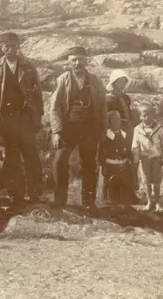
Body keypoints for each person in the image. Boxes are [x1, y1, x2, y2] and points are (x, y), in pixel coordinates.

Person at [0, 32, 45, 206]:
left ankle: (35, 193)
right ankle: (15, 194)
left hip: (25, 117)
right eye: (6, 46)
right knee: (11, 156)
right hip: (6, 118)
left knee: (31, 154)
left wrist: (37, 117)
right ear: (1, 48)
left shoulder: (28, 66)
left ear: (18, 46)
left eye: (13, 45)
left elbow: (37, 93)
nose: (10, 49)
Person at [49, 46, 108, 211]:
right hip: (68, 129)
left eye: (80, 59)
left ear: (86, 61)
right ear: (69, 62)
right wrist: (57, 131)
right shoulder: (63, 80)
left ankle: (88, 202)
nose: (77, 63)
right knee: (59, 161)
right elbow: (54, 107)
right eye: (73, 60)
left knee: (89, 164)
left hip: (89, 129)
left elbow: (102, 107)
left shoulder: (95, 81)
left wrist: (102, 131)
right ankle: (59, 200)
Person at [105, 69, 139, 203]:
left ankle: (131, 193)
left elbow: (129, 114)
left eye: (124, 82)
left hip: (128, 130)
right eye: (120, 82)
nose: (122, 84)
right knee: (116, 161)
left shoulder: (126, 98)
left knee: (129, 161)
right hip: (116, 132)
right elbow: (108, 118)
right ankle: (115, 196)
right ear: (113, 83)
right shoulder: (108, 99)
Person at [131, 101, 163, 211]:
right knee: (146, 181)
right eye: (144, 115)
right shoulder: (137, 130)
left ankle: (157, 203)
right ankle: (149, 202)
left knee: (156, 180)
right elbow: (135, 145)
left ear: (153, 115)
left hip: (156, 158)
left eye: (149, 115)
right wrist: (136, 160)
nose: (146, 117)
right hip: (144, 158)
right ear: (140, 116)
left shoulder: (159, 128)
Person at [99, 111, 133, 209]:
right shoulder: (106, 136)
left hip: (123, 164)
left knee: (124, 183)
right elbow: (101, 153)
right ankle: (112, 203)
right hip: (110, 165)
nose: (117, 122)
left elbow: (128, 149)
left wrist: (129, 159)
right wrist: (103, 165)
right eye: (114, 121)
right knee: (111, 184)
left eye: (119, 120)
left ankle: (124, 202)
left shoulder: (124, 135)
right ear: (109, 123)